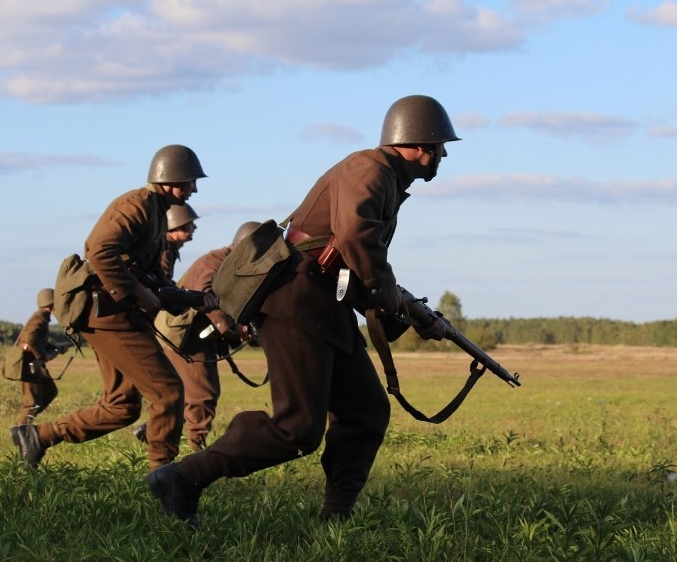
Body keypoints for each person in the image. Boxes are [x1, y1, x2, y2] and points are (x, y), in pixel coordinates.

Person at [147, 95, 456, 526]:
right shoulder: (369, 167)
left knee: (366, 411)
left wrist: (412, 313)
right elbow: (356, 240)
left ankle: (337, 518)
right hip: (297, 300)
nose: (443, 155)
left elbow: (356, 262)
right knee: (297, 429)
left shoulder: (386, 180)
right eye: (442, 145)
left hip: (326, 306)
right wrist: (393, 299)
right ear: (421, 142)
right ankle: (181, 477)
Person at [11, 144, 214, 471]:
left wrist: (196, 299)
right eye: (190, 181)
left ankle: (39, 437)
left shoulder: (158, 213)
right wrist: (134, 290)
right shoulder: (136, 205)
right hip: (107, 313)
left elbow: (155, 282)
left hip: (111, 313)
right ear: (168, 179)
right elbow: (99, 249)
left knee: (121, 406)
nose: (194, 188)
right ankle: (163, 478)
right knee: (169, 394)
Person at [136, 221, 260, 450]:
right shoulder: (215, 260)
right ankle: (197, 449)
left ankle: (152, 429)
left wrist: (241, 326)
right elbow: (204, 297)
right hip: (187, 335)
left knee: (193, 392)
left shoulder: (235, 265)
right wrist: (228, 326)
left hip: (200, 335)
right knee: (202, 394)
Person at [13, 288, 68, 425]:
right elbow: (30, 339)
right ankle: (22, 430)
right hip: (28, 364)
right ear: (51, 304)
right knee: (32, 402)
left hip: (33, 363)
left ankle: (28, 422)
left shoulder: (42, 318)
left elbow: (38, 340)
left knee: (50, 391)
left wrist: (56, 348)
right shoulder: (39, 319)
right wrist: (43, 355)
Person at [162, 203, 199, 280]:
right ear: (178, 226)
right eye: (191, 223)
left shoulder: (169, 247)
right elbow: (162, 281)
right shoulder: (165, 248)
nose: (195, 227)